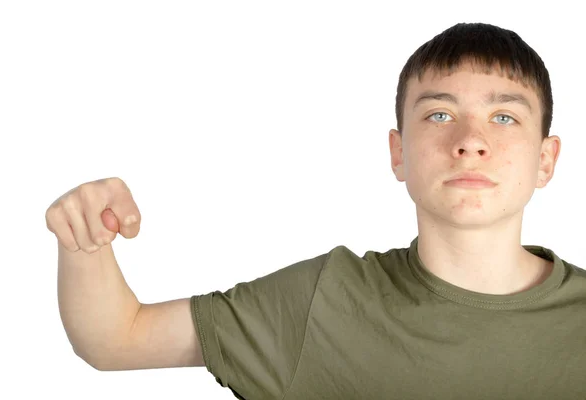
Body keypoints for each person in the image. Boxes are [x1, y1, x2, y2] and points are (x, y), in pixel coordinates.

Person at [47, 22, 586, 399]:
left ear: (546, 159)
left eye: (505, 118)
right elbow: (116, 339)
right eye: (441, 115)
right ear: (398, 153)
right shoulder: (324, 302)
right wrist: (86, 240)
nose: (471, 141)